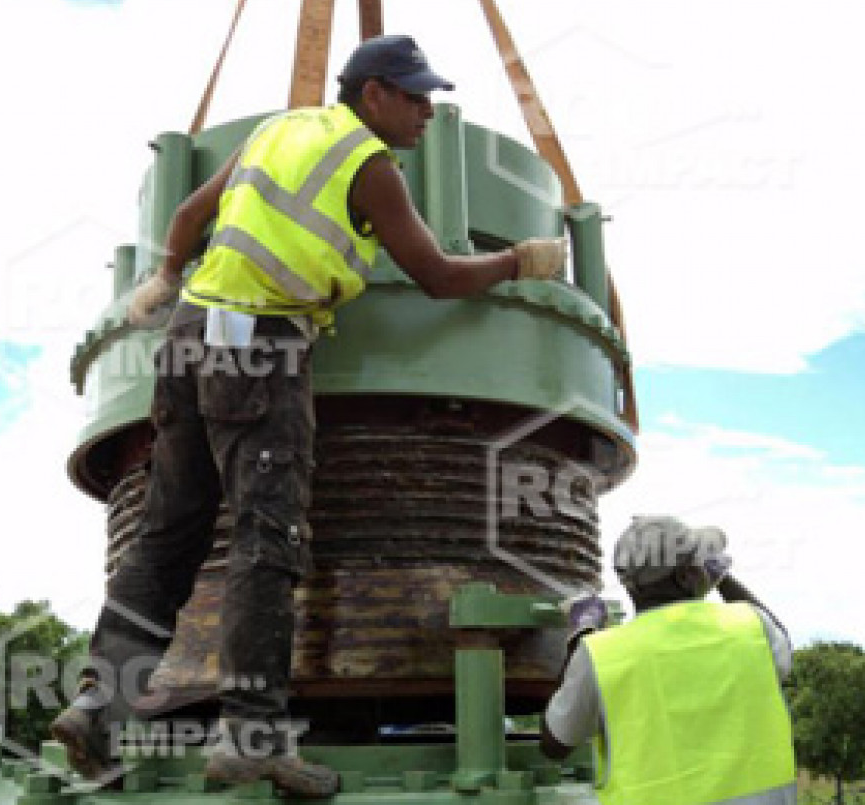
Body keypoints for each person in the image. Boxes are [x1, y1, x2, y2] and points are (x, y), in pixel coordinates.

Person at [50, 34, 568, 797]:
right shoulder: (372, 167)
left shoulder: (278, 130)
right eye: (414, 94)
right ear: (372, 95)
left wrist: (162, 280)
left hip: (189, 338)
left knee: (168, 534)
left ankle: (98, 703)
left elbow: (192, 212)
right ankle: (251, 734)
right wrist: (519, 262)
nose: (429, 109)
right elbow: (436, 274)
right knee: (271, 539)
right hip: (260, 349)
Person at [542, 516, 797, 805]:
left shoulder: (600, 653)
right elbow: (783, 648)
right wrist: (723, 580)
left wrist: (581, 634)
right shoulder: (749, 625)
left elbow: (556, 744)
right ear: (686, 575)